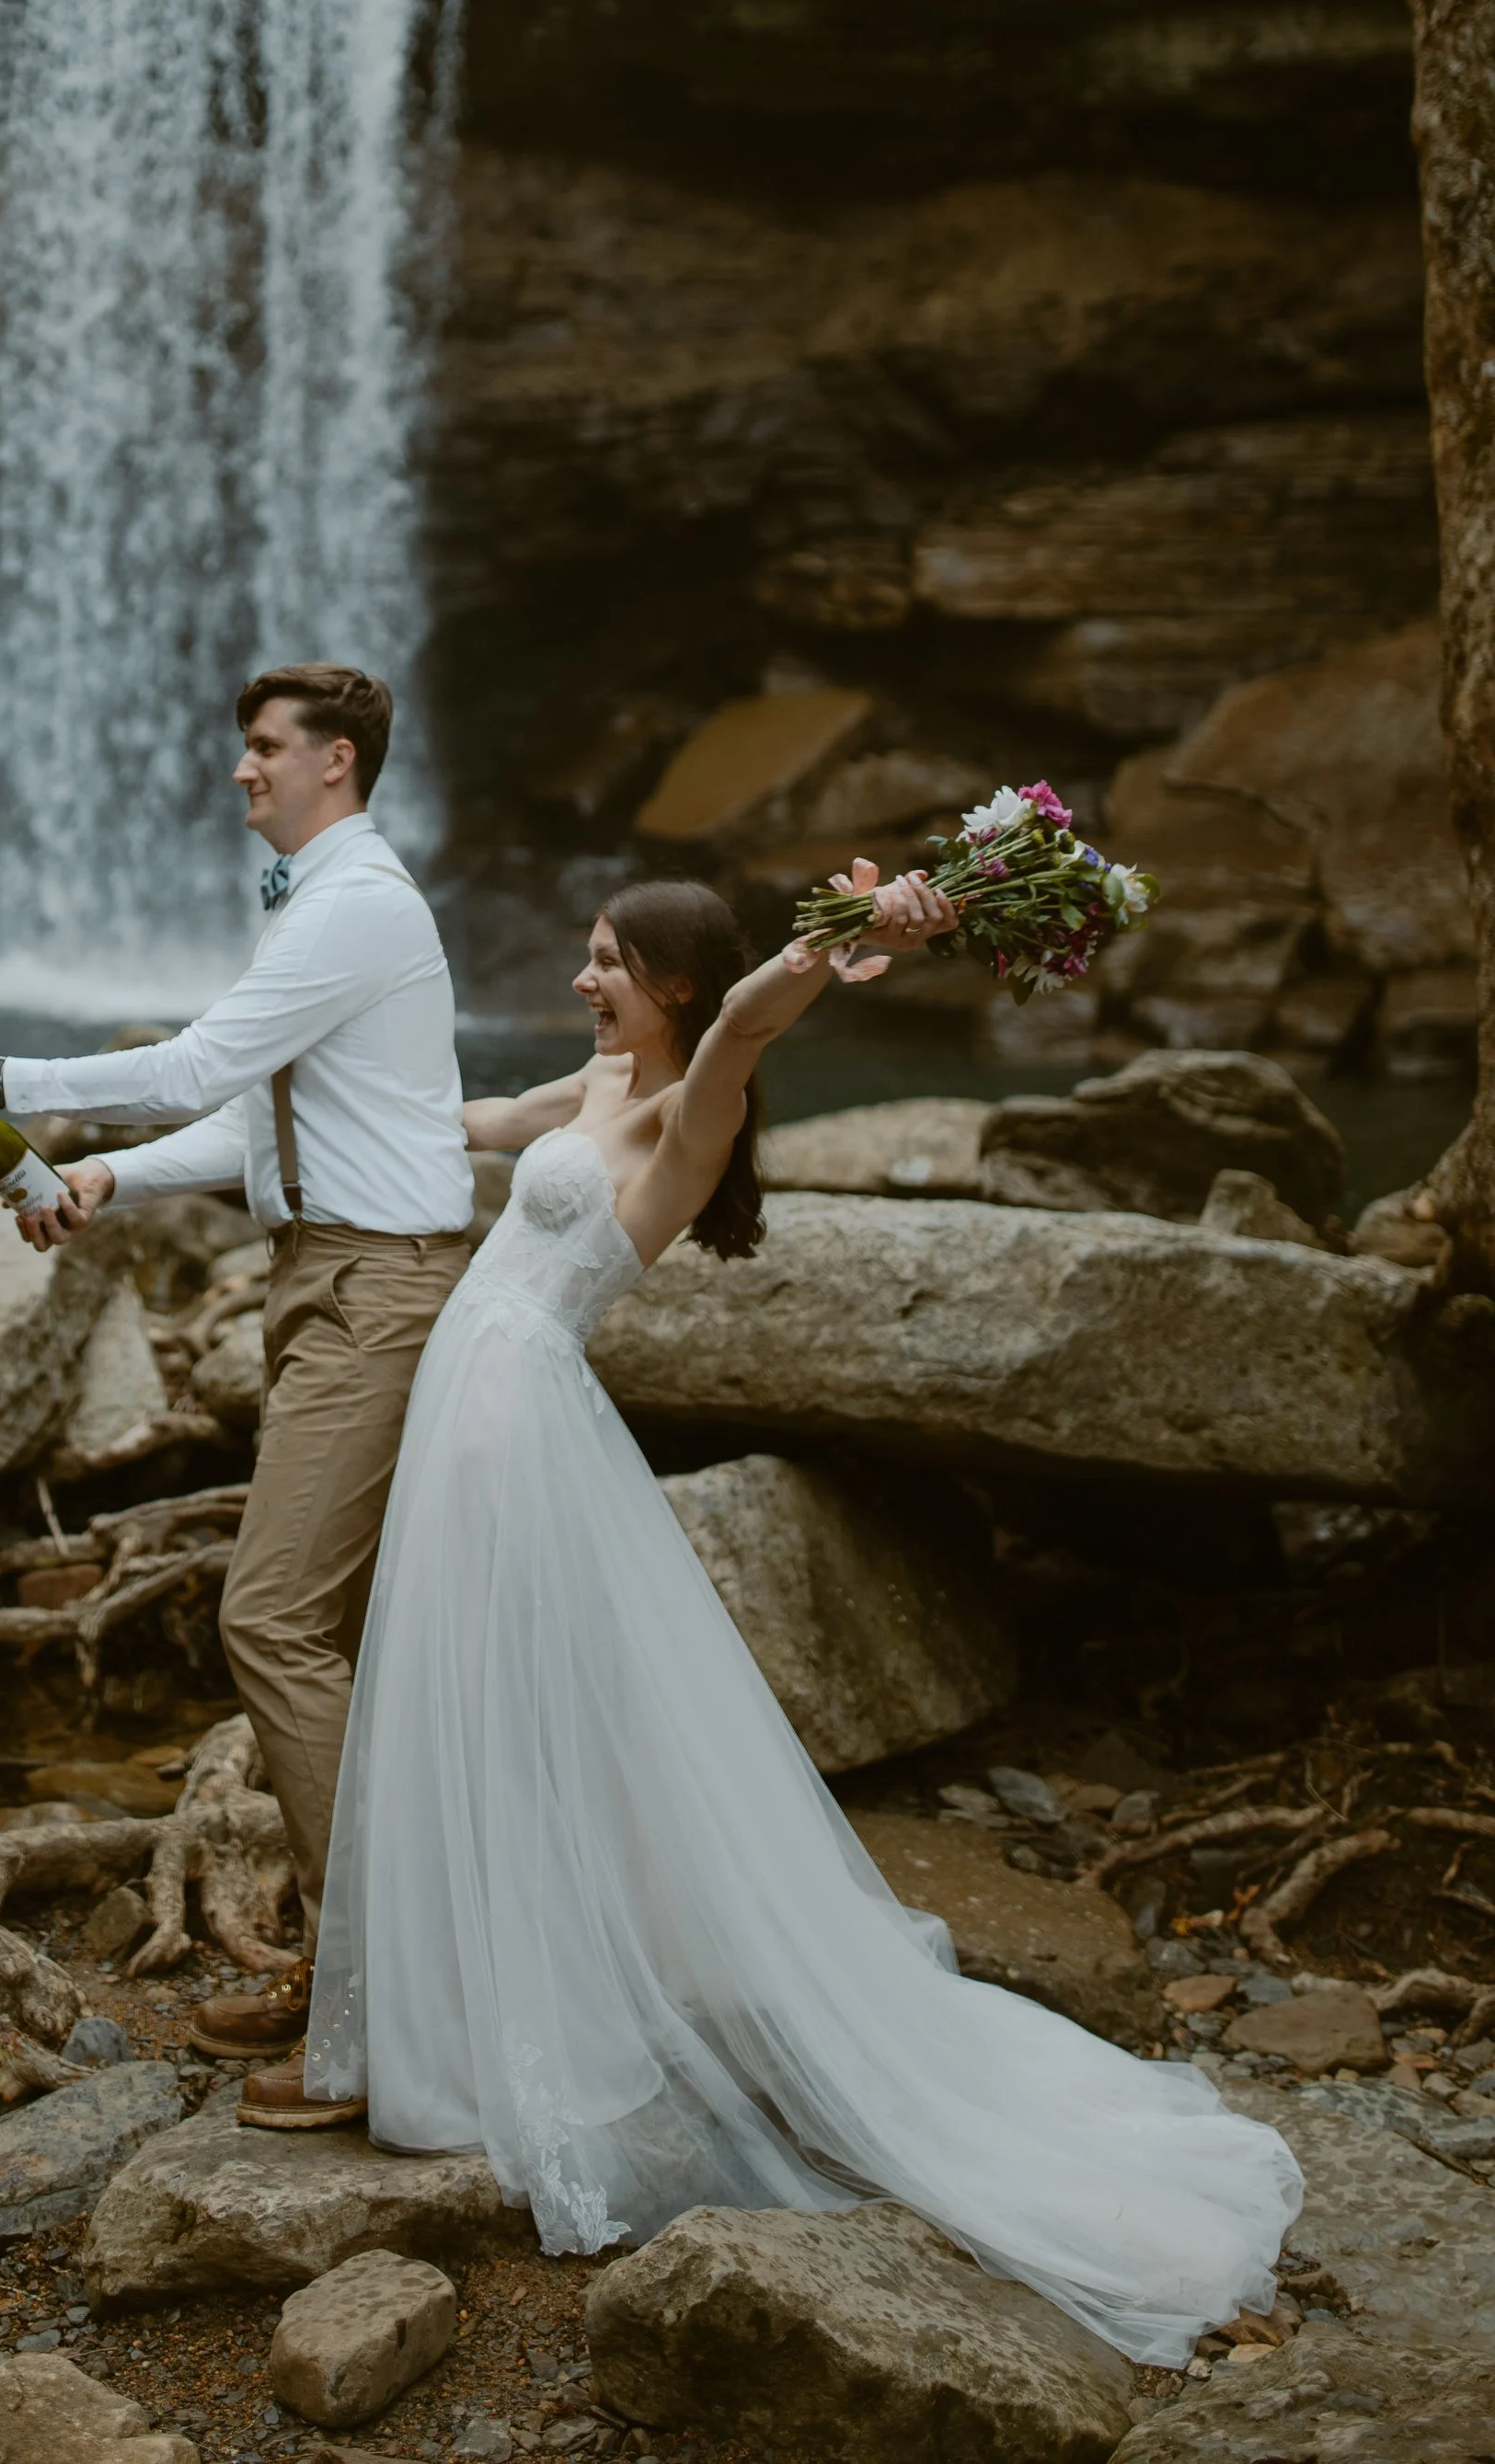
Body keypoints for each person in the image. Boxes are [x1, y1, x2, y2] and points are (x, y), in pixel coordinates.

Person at [303, 866, 1304, 2365]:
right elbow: (473, 1127)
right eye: (583, 956)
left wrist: (868, 929)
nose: (585, 982)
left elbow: (758, 1015)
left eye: (610, 965)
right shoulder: (595, 1081)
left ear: (681, 988)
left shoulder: (691, 1105)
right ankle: (474, 2023)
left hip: (521, 1426)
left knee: (532, 1717)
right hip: (469, 1410)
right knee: (473, 1712)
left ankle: (554, 2034)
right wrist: (297, 1106)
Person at [0, 661, 472, 2097]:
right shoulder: (317, 903)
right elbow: (253, 1126)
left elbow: (206, 1059)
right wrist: (101, 1173)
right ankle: (359, 1965)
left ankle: (374, 2002)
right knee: (321, 1625)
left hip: (374, 1288)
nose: (240, 769)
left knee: (271, 1617)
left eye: (264, 747)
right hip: (324, 1275)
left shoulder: (360, 904)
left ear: (336, 762)